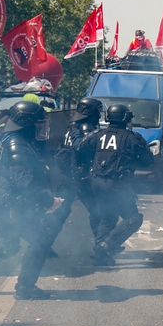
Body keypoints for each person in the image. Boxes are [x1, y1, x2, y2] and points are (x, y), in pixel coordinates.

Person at [0, 100, 61, 299]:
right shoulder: (16, 145)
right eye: (38, 123)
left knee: (8, 245)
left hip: (10, 202)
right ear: (27, 123)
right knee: (41, 240)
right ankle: (25, 288)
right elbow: (24, 182)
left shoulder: (15, 139)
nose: (40, 127)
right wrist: (49, 201)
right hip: (15, 204)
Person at [76, 104, 154, 266]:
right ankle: (107, 245)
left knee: (107, 217)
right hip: (117, 184)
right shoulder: (132, 137)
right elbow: (147, 161)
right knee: (133, 218)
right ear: (126, 118)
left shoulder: (97, 134)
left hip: (96, 181)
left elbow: (80, 150)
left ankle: (101, 256)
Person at [53, 98, 103, 240]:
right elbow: (82, 148)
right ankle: (102, 245)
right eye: (97, 112)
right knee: (97, 212)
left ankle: (43, 244)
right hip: (80, 179)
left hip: (66, 176)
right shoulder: (85, 128)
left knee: (59, 212)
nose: (99, 116)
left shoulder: (73, 127)